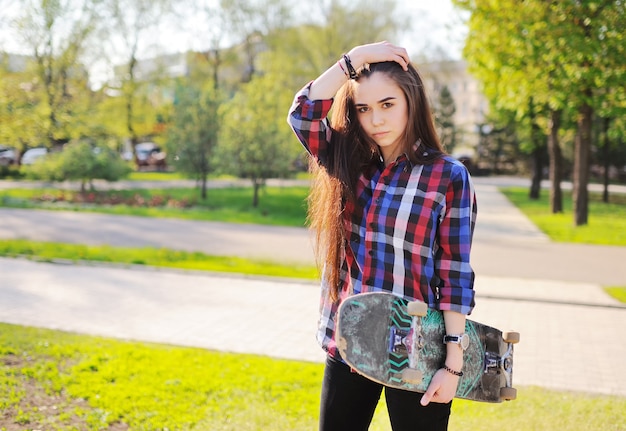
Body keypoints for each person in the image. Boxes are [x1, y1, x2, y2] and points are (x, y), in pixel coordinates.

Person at [287, 41, 477, 431]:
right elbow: (303, 113)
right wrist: (353, 59)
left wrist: (453, 366)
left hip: (418, 347)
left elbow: (454, 274)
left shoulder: (448, 176)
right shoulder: (349, 163)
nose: (375, 119)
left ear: (411, 101)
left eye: (387, 104)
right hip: (351, 340)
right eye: (363, 108)